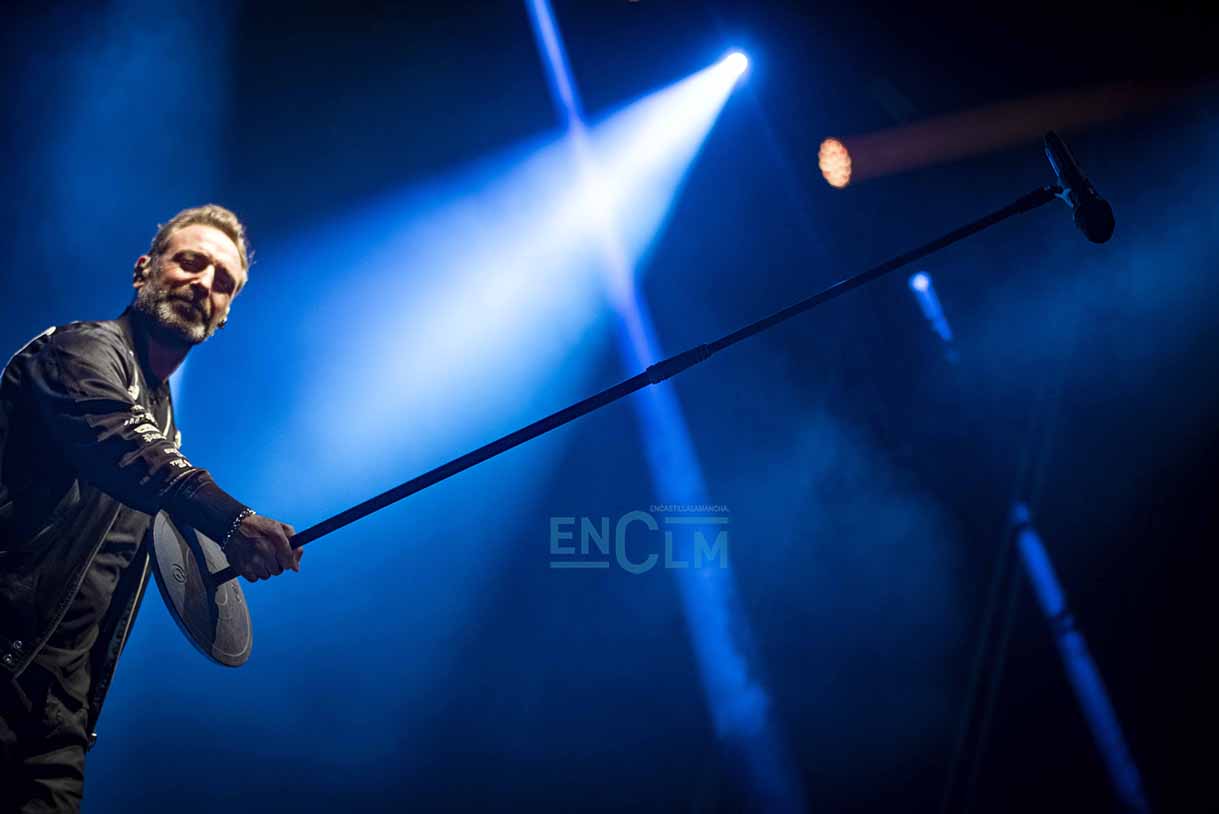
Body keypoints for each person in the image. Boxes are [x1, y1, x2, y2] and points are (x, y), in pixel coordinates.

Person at [0, 204, 301, 812]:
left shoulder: (165, 423)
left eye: (223, 281)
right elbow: (125, 445)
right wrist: (234, 522)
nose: (204, 283)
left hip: (57, 717)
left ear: (225, 313)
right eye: (191, 262)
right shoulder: (79, 350)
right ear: (145, 269)